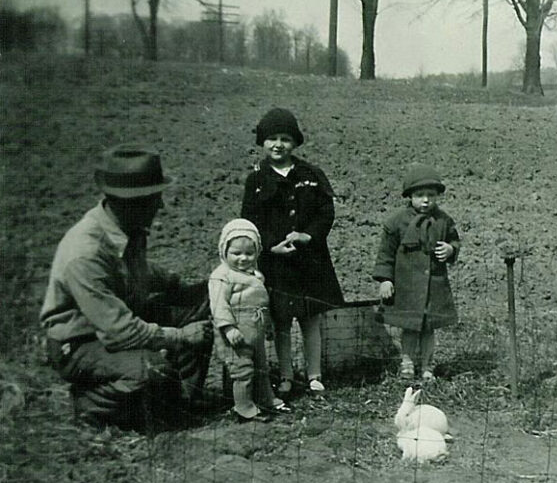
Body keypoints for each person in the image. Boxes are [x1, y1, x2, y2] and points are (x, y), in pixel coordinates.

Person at [40, 144, 214, 429]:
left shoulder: (127, 225)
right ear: (130, 203)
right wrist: (180, 335)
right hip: (81, 342)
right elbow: (120, 332)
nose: (161, 206)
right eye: (155, 198)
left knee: (200, 306)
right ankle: (90, 404)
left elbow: (139, 272)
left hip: (116, 319)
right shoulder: (85, 253)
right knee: (151, 370)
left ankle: (178, 403)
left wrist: (190, 288)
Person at [241, 108, 344, 395]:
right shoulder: (257, 180)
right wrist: (271, 244)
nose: (278, 144)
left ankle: (314, 374)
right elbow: (250, 221)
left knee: (311, 320)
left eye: (285, 138)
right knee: (282, 322)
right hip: (277, 264)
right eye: (272, 138)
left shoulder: (311, 174)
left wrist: (307, 235)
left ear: (295, 143)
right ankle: (286, 375)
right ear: (262, 142)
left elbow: (326, 212)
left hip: (310, 262)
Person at [372, 163, 461, 382]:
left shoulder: (444, 220)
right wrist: (385, 279)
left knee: (429, 328)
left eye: (431, 195)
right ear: (409, 196)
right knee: (410, 327)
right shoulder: (396, 222)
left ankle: (428, 366)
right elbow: (386, 253)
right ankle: (407, 363)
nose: (425, 200)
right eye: (420, 195)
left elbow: (454, 240)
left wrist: (451, 249)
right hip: (407, 285)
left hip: (434, 284)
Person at [209, 218, 290, 421]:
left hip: (256, 329)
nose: (243, 259)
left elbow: (262, 304)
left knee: (261, 368)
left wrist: (268, 325)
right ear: (224, 251)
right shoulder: (222, 276)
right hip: (237, 332)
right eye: (236, 253)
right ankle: (243, 408)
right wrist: (228, 328)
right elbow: (219, 305)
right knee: (242, 370)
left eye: (249, 253)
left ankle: (265, 398)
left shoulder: (256, 276)